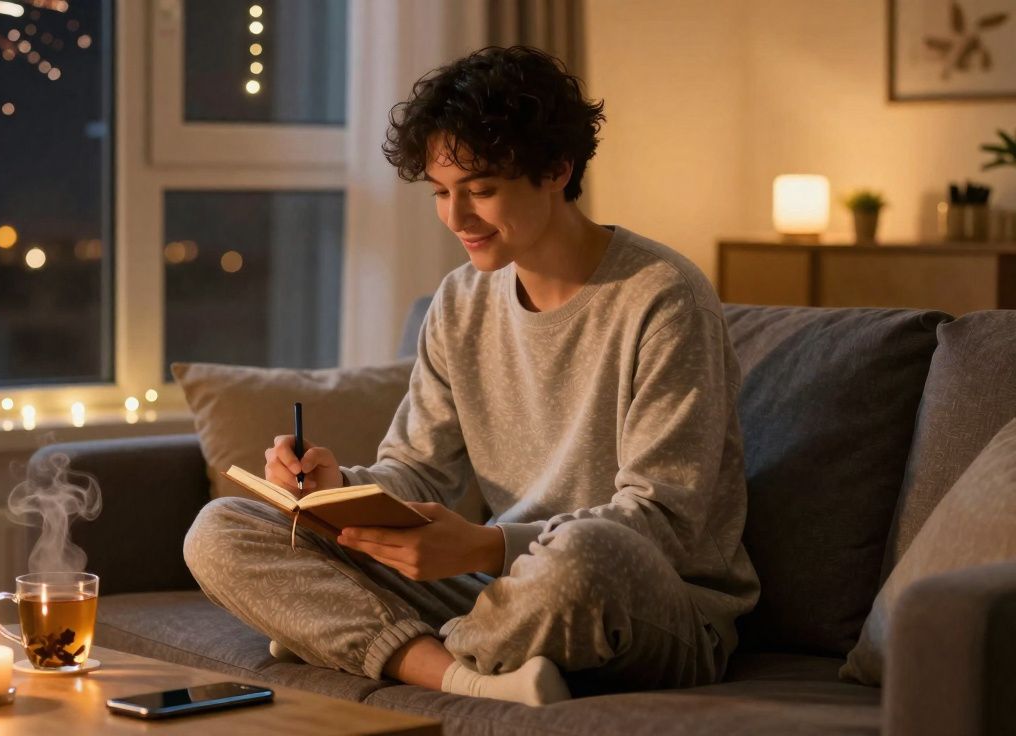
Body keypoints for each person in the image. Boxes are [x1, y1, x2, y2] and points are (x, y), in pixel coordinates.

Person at [183, 45, 759, 707]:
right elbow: (418, 472)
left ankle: (363, 643)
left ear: (555, 169)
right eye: (441, 193)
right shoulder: (460, 302)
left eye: (481, 190)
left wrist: (487, 547)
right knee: (222, 528)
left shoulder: (665, 298)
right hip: (499, 592)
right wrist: (336, 489)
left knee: (586, 555)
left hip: (646, 599)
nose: (457, 219)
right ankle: (462, 672)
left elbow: (663, 524)